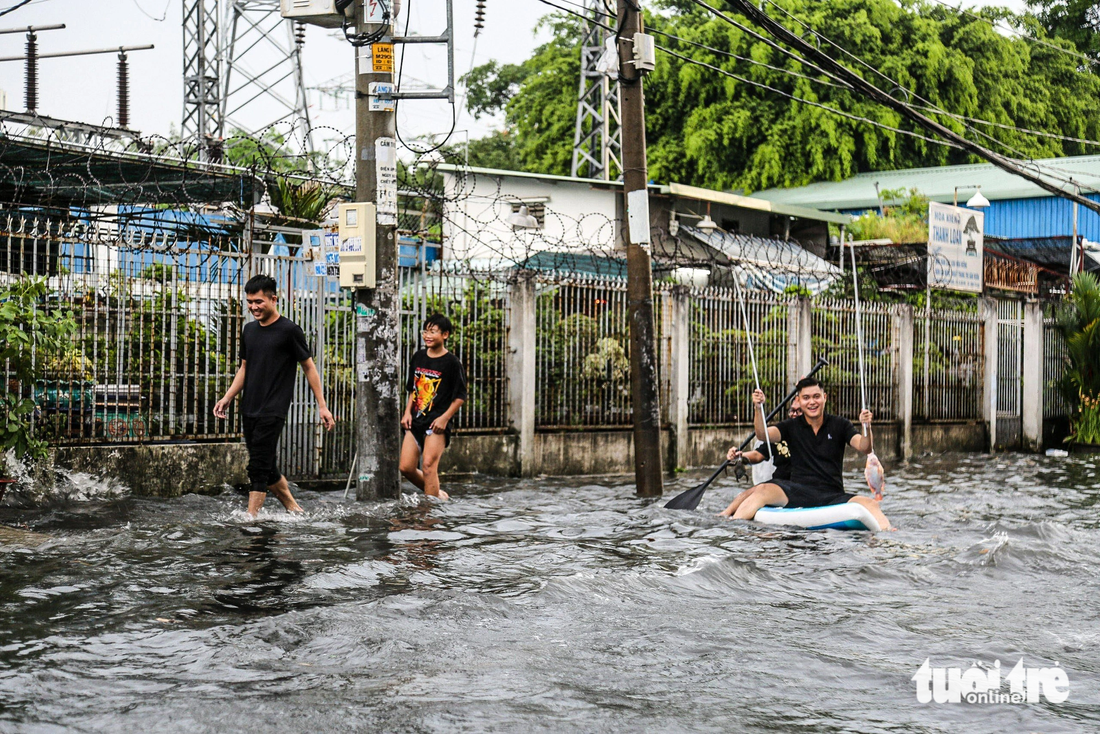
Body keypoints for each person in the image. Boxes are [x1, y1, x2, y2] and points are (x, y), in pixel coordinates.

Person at [213, 274, 335, 517]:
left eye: (258, 301)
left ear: (273, 299)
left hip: (274, 408)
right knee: (266, 463)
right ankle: (294, 507)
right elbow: (245, 368)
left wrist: (322, 406)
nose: (253, 307)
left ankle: (251, 520)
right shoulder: (249, 331)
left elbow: (309, 367)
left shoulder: (289, 331)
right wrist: (227, 397)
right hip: (249, 407)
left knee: (257, 466)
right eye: (249, 302)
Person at [719, 377, 891, 530]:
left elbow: (865, 447)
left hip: (832, 492)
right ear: (799, 401)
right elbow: (762, 434)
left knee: (870, 504)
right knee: (762, 489)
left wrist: (866, 426)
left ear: (824, 398)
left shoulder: (841, 424)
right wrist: (758, 408)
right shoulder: (790, 426)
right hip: (797, 489)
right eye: (806, 398)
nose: (812, 402)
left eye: (816, 397)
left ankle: (890, 539)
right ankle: (734, 527)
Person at [400, 313, 467, 501]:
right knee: (405, 467)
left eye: (433, 332)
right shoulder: (418, 357)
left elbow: (460, 396)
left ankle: (429, 515)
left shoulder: (452, 363)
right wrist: (407, 413)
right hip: (415, 419)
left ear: (445, 335)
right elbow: (413, 389)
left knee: (429, 466)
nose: (427, 336)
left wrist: (444, 419)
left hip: (436, 423)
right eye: (425, 331)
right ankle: (437, 495)